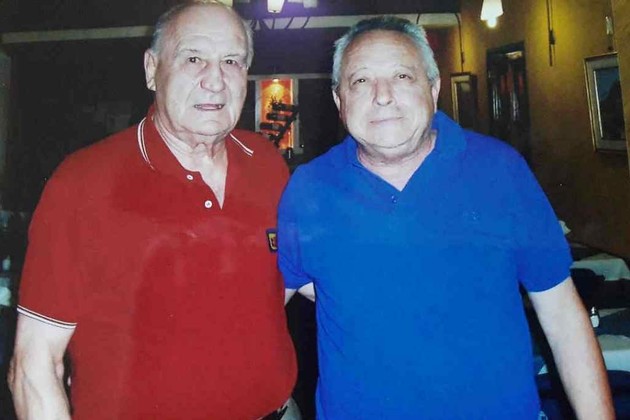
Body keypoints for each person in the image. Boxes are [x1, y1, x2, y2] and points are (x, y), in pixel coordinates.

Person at [280, 16, 614, 419]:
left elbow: (562, 317)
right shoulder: (309, 188)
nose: (382, 96)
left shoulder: (499, 171)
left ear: (434, 88)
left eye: (402, 76)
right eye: (361, 80)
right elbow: (272, 295)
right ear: (339, 100)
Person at [8, 1, 298, 418]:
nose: (215, 80)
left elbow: (286, 281)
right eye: (193, 58)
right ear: (151, 69)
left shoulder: (266, 164)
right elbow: (34, 365)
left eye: (231, 61)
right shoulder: (83, 182)